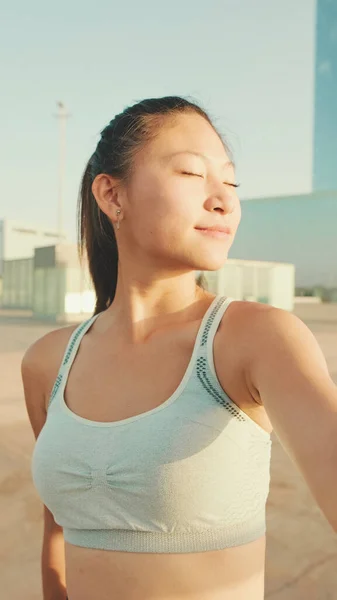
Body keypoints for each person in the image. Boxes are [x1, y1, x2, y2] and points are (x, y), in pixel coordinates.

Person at [22, 96, 337, 600]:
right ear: (111, 194)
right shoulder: (48, 361)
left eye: (231, 182)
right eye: (192, 174)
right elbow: (56, 532)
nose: (224, 200)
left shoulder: (256, 339)